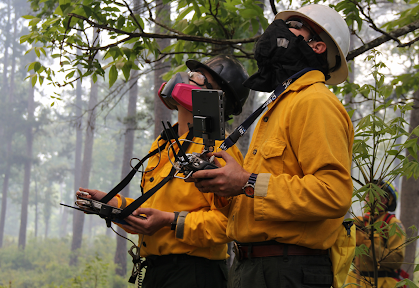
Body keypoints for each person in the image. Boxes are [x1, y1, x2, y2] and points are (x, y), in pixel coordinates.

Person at [189, 4, 354, 288]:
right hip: (253, 266)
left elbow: (334, 194)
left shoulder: (315, 102)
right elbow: (261, 199)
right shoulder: (280, 105)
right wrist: (225, 186)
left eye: (293, 25)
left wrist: (246, 182)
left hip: (286, 270)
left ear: (316, 46)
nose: (282, 29)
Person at [77, 55, 250, 288]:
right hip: (157, 271)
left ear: (216, 97)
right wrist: (114, 205)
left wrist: (170, 222)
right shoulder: (163, 144)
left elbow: (226, 224)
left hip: (195, 274)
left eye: (198, 77)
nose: (187, 79)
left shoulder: (219, 151)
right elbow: (156, 212)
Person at [346, 180, 406, 288]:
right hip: (355, 281)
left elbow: (396, 261)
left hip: (383, 283)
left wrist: (367, 244)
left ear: (386, 200)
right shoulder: (357, 222)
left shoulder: (393, 224)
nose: (369, 196)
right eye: (368, 193)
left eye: (376, 192)